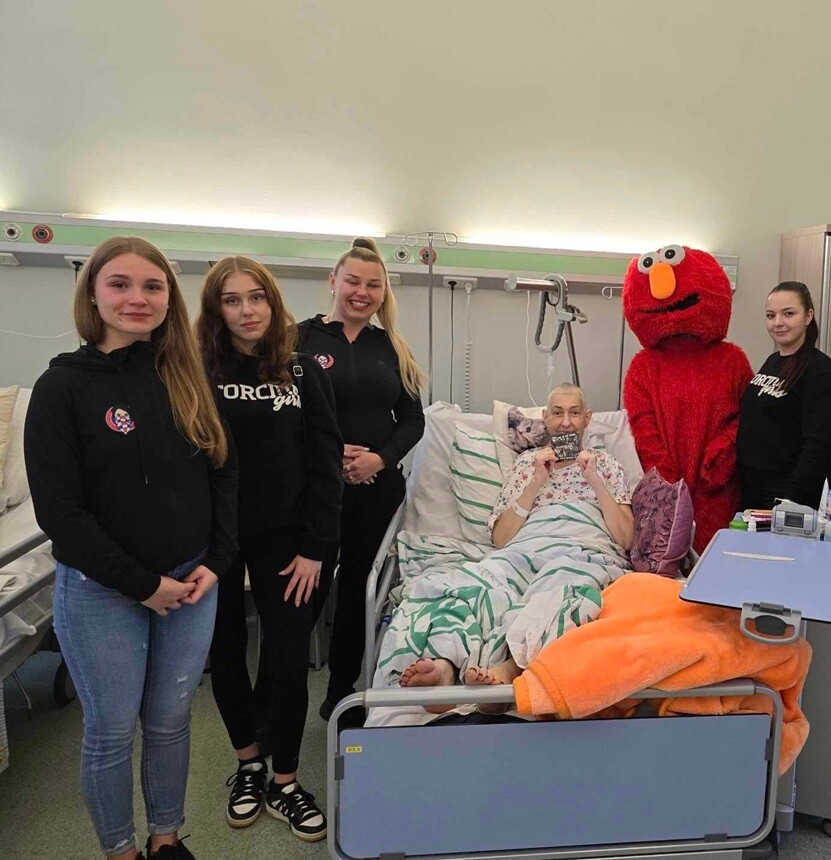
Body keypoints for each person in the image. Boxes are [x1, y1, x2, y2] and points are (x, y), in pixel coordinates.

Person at [25, 236, 237, 860]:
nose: (136, 298)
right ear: (92, 294)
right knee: (112, 730)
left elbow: (223, 472)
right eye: (119, 284)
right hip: (102, 591)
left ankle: (166, 839)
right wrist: (143, 586)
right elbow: (60, 514)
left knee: (171, 721)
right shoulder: (62, 387)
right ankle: (120, 851)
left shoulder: (186, 378)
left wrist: (216, 562)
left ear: (170, 299)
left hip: (191, 582)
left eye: (153, 286)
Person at [196, 256, 342, 843]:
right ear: (216, 309)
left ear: (272, 302)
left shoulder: (302, 371)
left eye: (256, 297)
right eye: (232, 300)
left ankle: (285, 779)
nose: (247, 310)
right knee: (226, 651)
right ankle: (248, 766)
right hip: (215, 542)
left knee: (285, 659)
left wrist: (316, 547)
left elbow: (325, 463)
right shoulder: (195, 372)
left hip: (289, 543)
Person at [395, 383, 633, 713]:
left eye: (574, 413)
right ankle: (444, 666)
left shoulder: (605, 464)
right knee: (471, 586)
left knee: (561, 590)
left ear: (587, 419)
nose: (566, 422)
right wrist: (536, 481)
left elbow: (625, 538)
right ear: (546, 418)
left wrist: (594, 480)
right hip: (523, 550)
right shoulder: (526, 465)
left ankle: (509, 670)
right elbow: (502, 539)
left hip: (580, 550)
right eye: (558, 413)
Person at [297, 236, 426, 721]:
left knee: (357, 591)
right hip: (313, 491)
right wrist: (327, 457)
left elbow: (412, 419)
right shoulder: (297, 341)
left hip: (375, 491)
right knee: (303, 593)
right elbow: (282, 417)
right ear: (333, 281)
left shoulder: (391, 347)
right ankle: (278, 697)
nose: (362, 292)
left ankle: (340, 692)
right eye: (352, 281)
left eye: (373, 285)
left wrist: (381, 459)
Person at [737, 281, 831, 511]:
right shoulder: (773, 361)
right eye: (771, 315)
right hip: (752, 485)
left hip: (785, 491)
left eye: (788, 314)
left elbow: (817, 444)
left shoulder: (820, 370)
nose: (778, 322)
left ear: (808, 316)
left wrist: (792, 500)